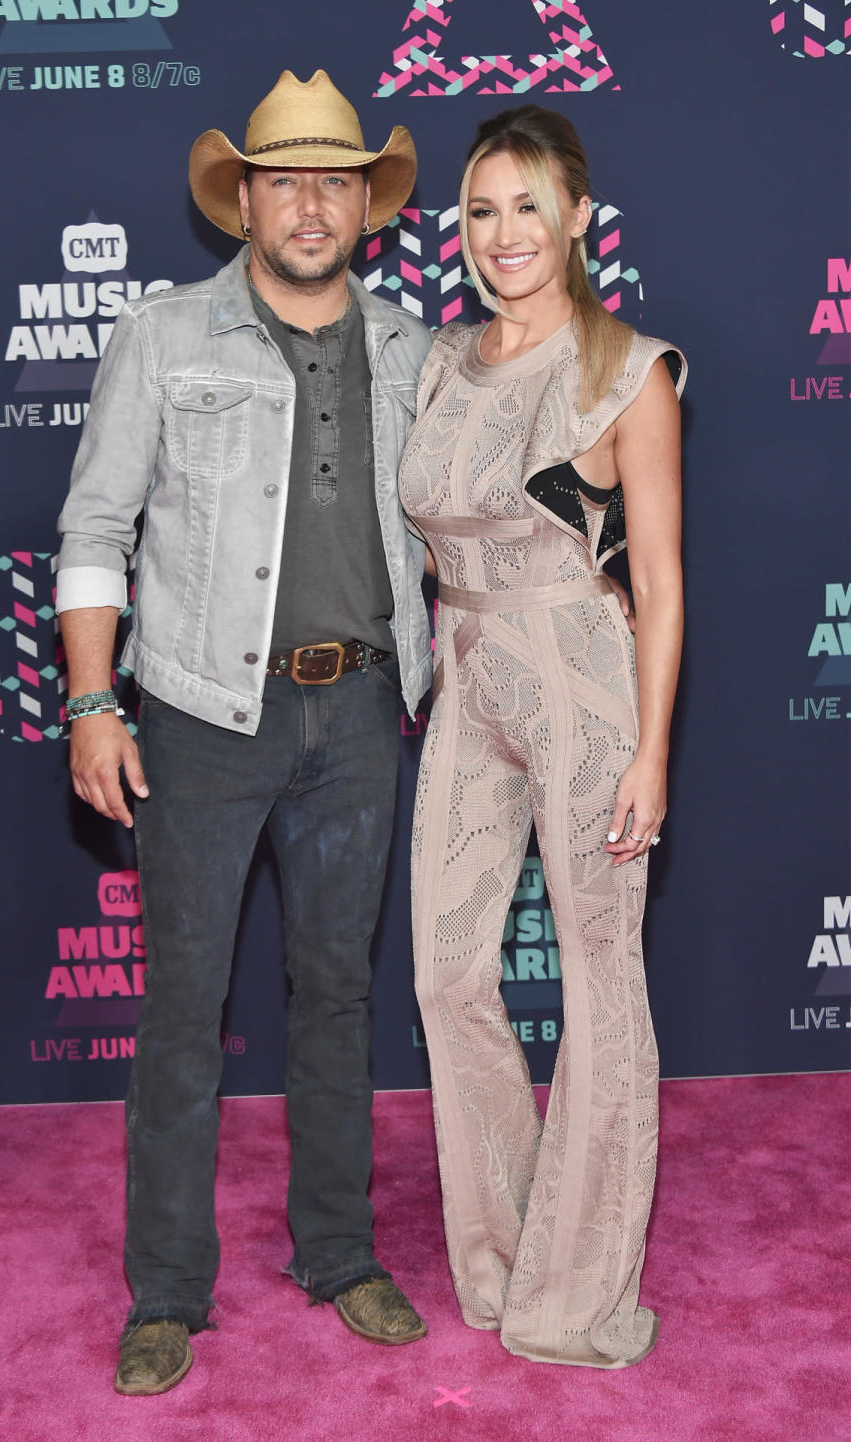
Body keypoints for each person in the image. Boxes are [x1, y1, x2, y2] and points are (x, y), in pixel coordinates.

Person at [55, 69, 435, 1395]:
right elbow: (95, 531)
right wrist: (93, 702)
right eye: (288, 178)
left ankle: (337, 1250)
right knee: (182, 1009)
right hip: (203, 716)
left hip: (360, 708)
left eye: (337, 178)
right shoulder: (163, 338)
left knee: (338, 997)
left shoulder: (410, 344)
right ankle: (167, 1288)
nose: (313, 202)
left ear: (368, 204)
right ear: (245, 197)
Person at [398, 104, 686, 1368]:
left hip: (580, 687)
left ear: (577, 217)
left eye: (528, 206)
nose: (502, 233)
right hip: (467, 685)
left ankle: (577, 1292)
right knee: (448, 972)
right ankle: (507, 1256)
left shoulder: (628, 370)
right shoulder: (441, 363)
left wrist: (653, 749)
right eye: (479, 209)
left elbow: (664, 581)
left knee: (598, 978)